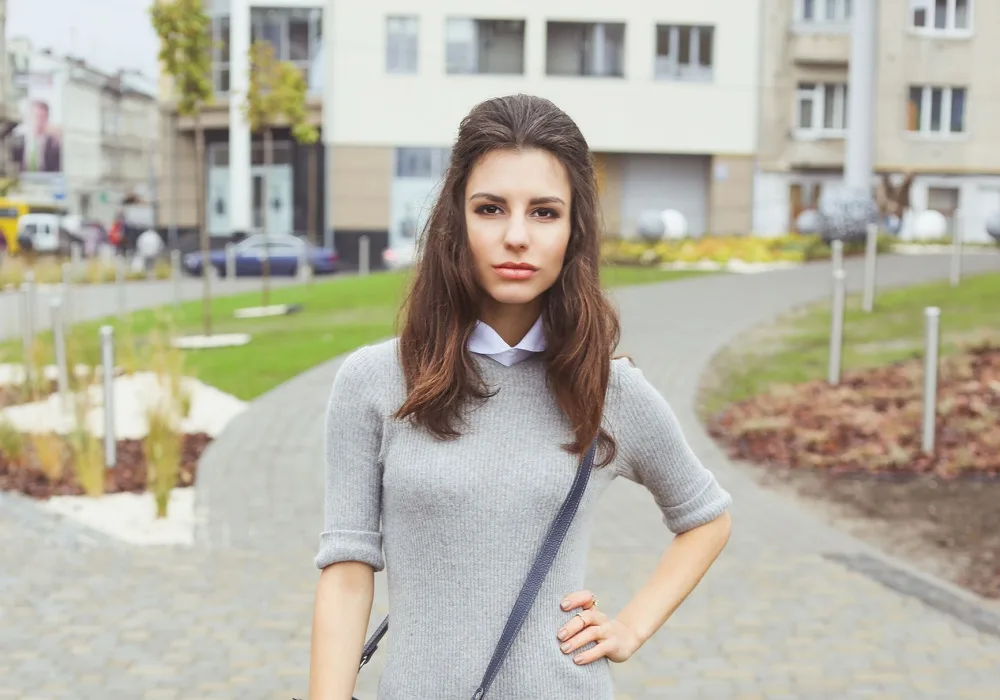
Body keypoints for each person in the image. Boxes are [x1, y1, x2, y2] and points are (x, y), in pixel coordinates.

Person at [309, 94, 733, 700]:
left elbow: (706, 519)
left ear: (573, 229)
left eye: (543, 212)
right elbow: (348, 572)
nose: (515, 236)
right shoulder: (374, 381)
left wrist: (630, 628)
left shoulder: (607, 389)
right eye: (490, 208)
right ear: (456, 219)